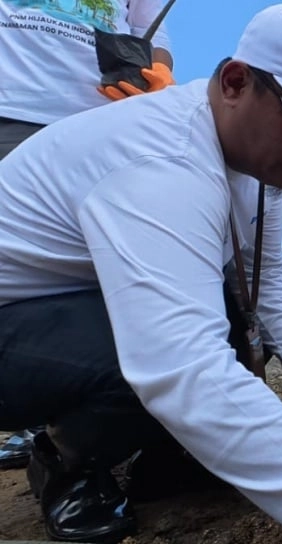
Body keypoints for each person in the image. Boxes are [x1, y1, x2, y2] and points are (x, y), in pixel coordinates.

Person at [0, 4, 282, 543]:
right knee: (147, 346)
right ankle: (67, 461)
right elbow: (183, 366)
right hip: (14, 323)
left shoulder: (259, 164)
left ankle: (166, 453)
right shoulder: (165, 160)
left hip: (72, 301)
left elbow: (264, 276)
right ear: (235, 82)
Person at [0, 0, 177, 471]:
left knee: (108, 272)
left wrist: (157, 76)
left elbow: (151, 30)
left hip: (105, 113)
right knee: (25, 277)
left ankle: (89, 433)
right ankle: (43, 427)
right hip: (14, 106)